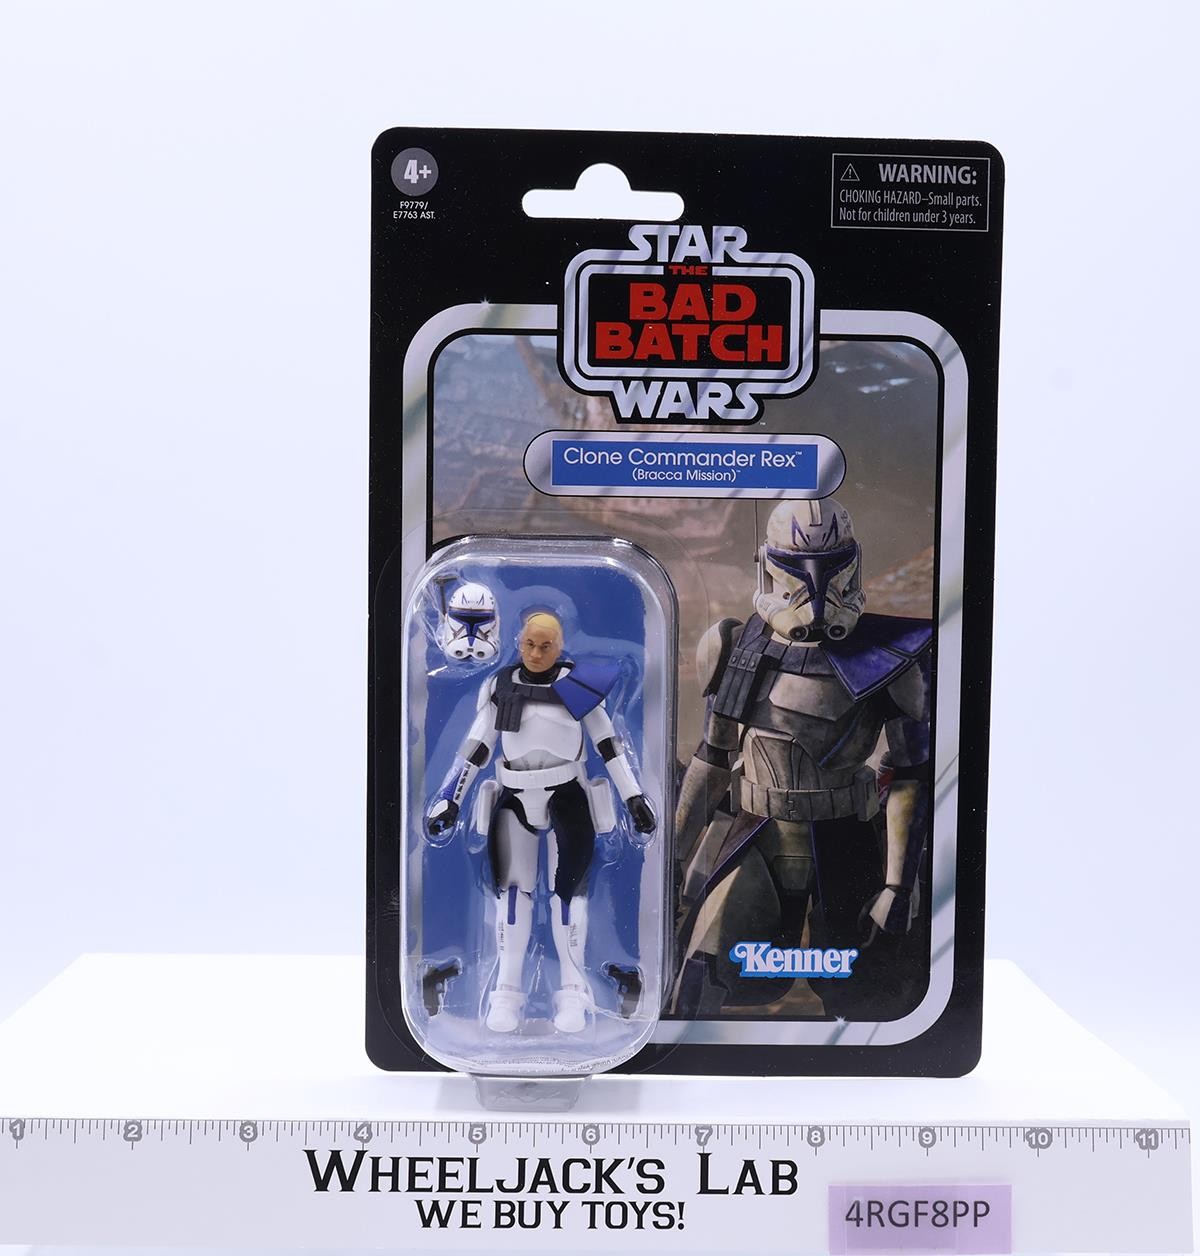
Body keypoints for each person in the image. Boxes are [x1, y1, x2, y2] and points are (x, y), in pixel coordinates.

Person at [427, 612, 656, 1033]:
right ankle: (506, 992)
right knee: (513, 899)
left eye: (545, 646)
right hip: (514, 796)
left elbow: (609, 745)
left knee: (568, 898)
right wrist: (450, 798)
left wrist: (634, 797)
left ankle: (572, 991)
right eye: (529, 645)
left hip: (567, 796)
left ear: (559, 645)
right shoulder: (500, 686)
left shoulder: (579, 687)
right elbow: (477, 746)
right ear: (519, 643)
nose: (535, 654)